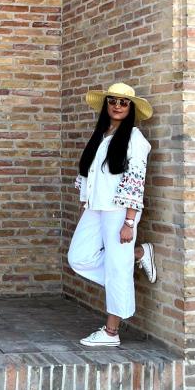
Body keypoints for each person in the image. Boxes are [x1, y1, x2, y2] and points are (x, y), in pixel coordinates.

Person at [68, 82, 156, 347]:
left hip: (120, 211)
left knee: (118, 268)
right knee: (79, 257)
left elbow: (135, 181)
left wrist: (129, 221)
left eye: (124, 102)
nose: (118, 106)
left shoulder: (135, 140)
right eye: (113, 101)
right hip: (95, 208)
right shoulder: (101, 134)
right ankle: (137, 254)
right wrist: (84, 204)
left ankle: (111, 332)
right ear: (106, 105)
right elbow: (89, 173)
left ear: (131, 108)